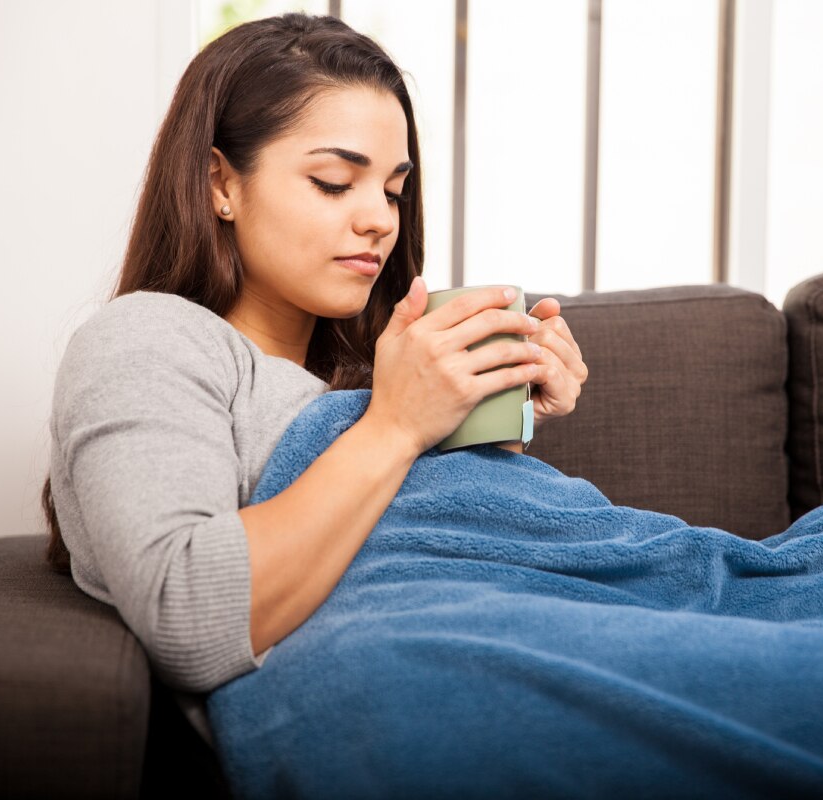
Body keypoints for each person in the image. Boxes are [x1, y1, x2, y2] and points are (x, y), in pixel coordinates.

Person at [40, 11, 588, 706]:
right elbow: (188, 611)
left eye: (394, 190)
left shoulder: (369, 378)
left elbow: (453, 543)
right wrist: (396, 426)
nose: (382, 219)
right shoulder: (147, 338)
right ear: (220, 184)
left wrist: (501, 409)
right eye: (334, 181)